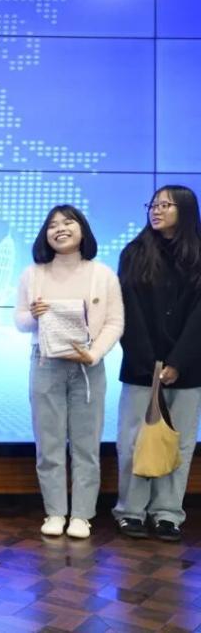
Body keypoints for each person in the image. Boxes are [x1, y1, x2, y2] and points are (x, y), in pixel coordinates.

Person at [14, 205, 123, 539]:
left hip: (88, 365)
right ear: (45, 234)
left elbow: (115, 322)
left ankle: (82, 515)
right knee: (48, 443)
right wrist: (33, 315)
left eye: (68, 222)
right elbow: (20, 321)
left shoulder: (102, 274)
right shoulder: (33, 273)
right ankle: (55, 512)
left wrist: (94, 354)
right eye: (52, 225)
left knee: (86, 445)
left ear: (82, 229)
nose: (60, 228)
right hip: (45, 363)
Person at [112, 185, 201, 543]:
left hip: (188, 368)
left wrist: (178, 361)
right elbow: (126, 311)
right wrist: (150, 362)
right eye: (153, 204)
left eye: (166, 205)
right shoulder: (134, 253)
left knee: (178, 442)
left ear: (186, 211)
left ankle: (167, 513)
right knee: (133, 440)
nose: (157, 210)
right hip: (141, 365)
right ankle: (130, 511)